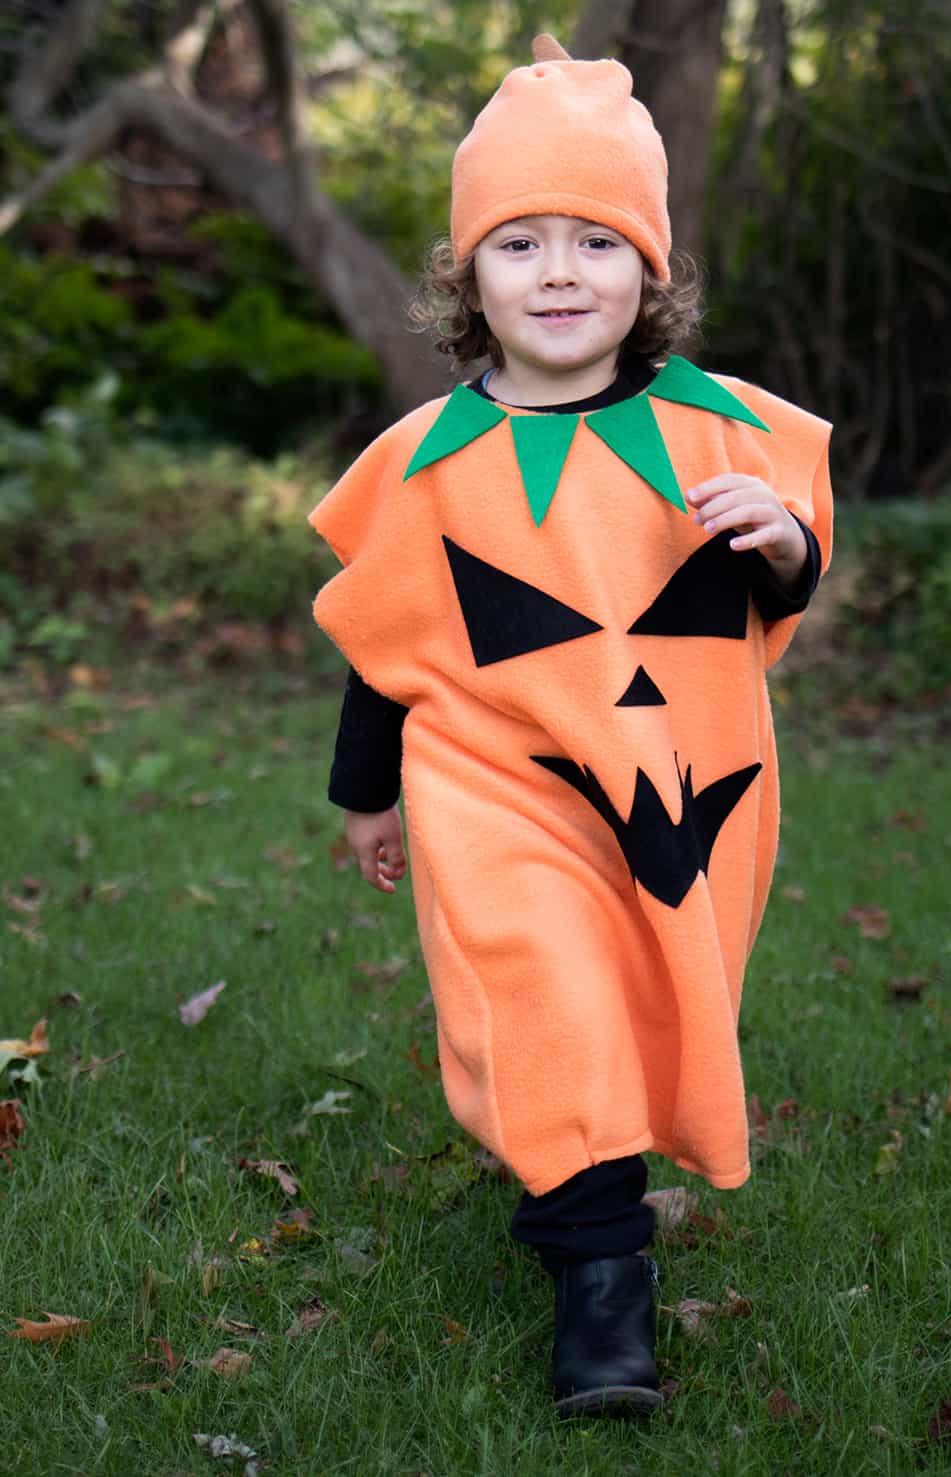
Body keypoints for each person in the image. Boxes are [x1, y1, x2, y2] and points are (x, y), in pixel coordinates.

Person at [308, 34, 833, 1418]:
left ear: (647, 272)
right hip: (496, 789)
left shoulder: (716, 430)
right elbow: (393, 645)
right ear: (467, 274)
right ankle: (606, 1285)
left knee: (641, 1005)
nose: (557, 272)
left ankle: (580, 1197)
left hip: (673, 784)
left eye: (595, 242)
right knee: (548, 1000)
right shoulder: (431, 463)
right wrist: (369, 794)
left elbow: (783, 581)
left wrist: (781, 541)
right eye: (520, 241)